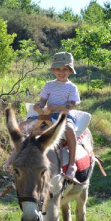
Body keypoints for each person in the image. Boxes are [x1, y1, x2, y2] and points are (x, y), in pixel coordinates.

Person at [19, 52, 80, 180]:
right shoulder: (49, 85)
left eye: (64, 69)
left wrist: (58, 108)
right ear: (54, 70)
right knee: (22, 125)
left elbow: (71, 105)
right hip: (47, 114)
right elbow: (43, 100)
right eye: (58, 69)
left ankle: (72, 164)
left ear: (70, 71)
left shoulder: (71, 87)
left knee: (69, 130)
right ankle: (19, 155)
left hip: (63, 115)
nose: (61, 72)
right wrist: (38, 105)